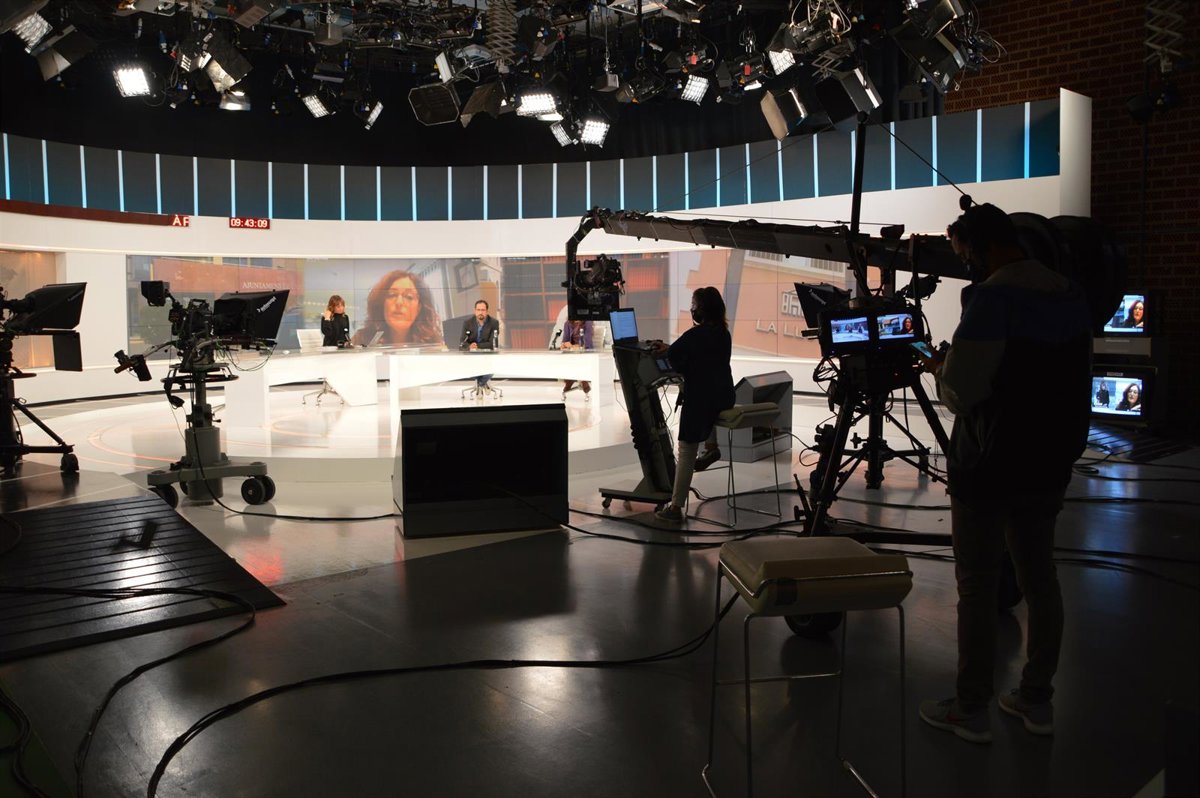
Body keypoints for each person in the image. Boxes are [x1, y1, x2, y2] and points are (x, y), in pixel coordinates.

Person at [915, 203, 1092, 743]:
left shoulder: (992, 299)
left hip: (988, 467)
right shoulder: (1069, 294)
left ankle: (971, 709)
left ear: (984, 246)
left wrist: (941, 369)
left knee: (977, 584)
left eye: (965, 253)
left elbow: (963, 393)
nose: (965, 264)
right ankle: (1036, 700)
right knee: (1040, 579)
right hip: (1048, 462)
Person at [651, 287, 735, 524]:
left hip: (702, 399)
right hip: (725, 395)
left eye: (694, 304)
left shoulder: (695, 335)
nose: (692, 309)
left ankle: (675, 507)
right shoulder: (723, 333)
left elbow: (676, 358)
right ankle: (712, 446)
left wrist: (672, 355)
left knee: (686, 449)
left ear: (702, 309)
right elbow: (700, 354)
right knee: (710, 406)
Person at [351, 270, 442, 346]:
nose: (399, 302)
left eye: (409, 297)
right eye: (392, 295)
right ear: (382, 304)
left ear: (419, 308)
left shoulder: (433, 344)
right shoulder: (361, 339)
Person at [460, 299, 500, 391]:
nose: (480, 312)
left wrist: (477, 346)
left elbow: (493, 343)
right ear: (475, 311)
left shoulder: (494, 323)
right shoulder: (467, 323)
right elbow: (462, 342)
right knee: (474, 368)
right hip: (472, 356)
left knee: (489, 369)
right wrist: (469, 346)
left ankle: (480, 384)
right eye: (478, 310)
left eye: (483, 310)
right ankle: (483, 384)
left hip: (487, 355)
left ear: (487, 311)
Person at [560, 318, 593, 401]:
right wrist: (564, 345)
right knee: (565, 358)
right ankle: (579, 380)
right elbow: (565, 340)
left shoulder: (588, 322)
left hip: (585, 352)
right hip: (572, 352)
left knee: (577, 359)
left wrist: (573, 346)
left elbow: (587, 343)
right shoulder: (567, 323)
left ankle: (575, 380)